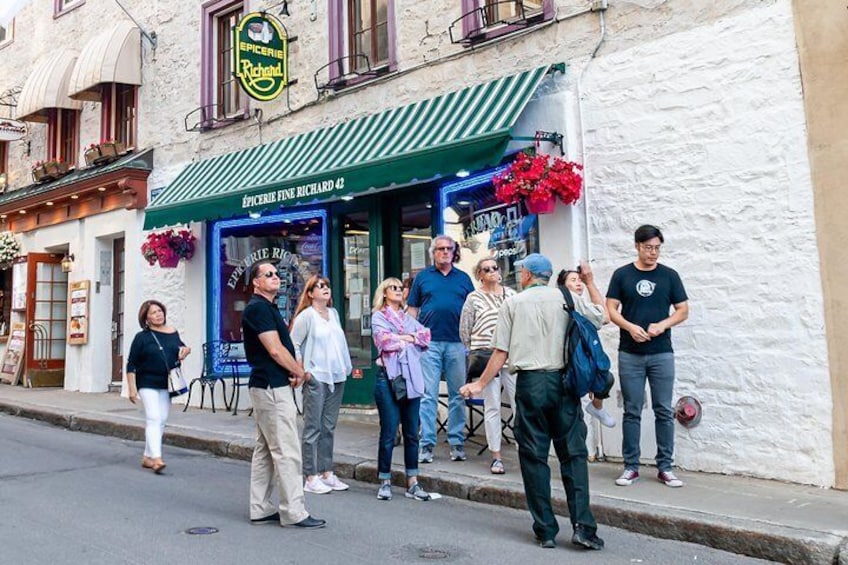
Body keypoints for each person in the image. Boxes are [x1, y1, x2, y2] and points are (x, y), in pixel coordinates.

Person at [460, 253, 605, 551]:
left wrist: (480, 383)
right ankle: (584, 528)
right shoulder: (566, 296)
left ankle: (546, 530)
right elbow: (600, 317)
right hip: (564, 383)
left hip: (530, 384)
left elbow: (499, 352)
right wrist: (590, 282)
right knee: (573, 455)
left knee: (534, 457)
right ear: (548, 275)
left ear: (526, 275)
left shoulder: (512, 303)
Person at [241, 261, 326, 528]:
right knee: (287, 450)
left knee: (266, 449)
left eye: (277, 274)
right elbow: (275, 349)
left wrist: (293, 370)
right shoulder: (258, 308)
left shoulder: (265, 307)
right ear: (256, 281)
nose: (276, 277)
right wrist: (299, 371)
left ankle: (260, 507)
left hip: (269, 384)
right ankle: (293, 511)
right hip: (271, 387)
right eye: (269, 274)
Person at [606, 225, 689, 488]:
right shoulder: (622, 275)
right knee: (632, 410)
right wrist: (630, 327)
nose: (653, 253)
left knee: (664, 409)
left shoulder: (669, 276)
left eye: (657, 248)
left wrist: (662, 325)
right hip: (630, 353)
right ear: (637, 246)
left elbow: (683, 310)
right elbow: (611, 309)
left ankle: (665, 466)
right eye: (648, 247)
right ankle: (631, 466)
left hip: (661, 352)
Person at [407, 235, 474, 464]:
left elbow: (472, 311)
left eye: (448, 249)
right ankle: (426, 444)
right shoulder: (423, 278)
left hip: (457, 343)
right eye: (440, 249)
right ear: (433, 252)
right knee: (428, 395)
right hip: (429, 344)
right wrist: (411, 339)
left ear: (454, 252)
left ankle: (456, 443)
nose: (444, 252)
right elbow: (413, 311)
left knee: (457, 395)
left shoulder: (464, 279)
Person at [371, 277, 433, 501]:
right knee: (389, 431)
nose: (398, 291)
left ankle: (413, 481)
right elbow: (384, 341)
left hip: (411, 378)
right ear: (384, 293)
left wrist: (405, 338)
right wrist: (409, 339)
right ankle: (385, 479)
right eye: (393, 288)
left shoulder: (408, 317)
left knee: (412, 432)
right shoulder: (379, 316)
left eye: (400, 288)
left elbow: (426, 336)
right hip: (388, 377)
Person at [290, 275, 352, 495]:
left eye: (327, 285)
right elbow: (294, 343)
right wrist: (303, 371)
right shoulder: (307, 316)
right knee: (312, 428)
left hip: (336, 376)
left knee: (329, 427)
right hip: (317, 376)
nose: (326, 289)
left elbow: (340, 344)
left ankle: (327, 472)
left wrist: (346, 367)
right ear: (310, 293)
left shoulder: (333, 314)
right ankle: (310, 475)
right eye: (320, 286)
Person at [459, 257, 517, 474]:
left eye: (495, 267)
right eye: (487, 269)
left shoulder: (511, 295)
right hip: (486, 356)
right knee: (492, 406)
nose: (492, 271)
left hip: (511, 357)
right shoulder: (473, 298)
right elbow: (465, 330)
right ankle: (496, 456)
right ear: (479, 275)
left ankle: (526, 452)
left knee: (519, 403)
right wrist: (476, 349)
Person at [126, 300, 191, 474]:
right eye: (153, 312)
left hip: (166, 383)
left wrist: (185, 350)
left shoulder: (172, 332)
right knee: (154, 417)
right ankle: (157, 458)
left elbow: (181, 347)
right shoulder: (142, 338)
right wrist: (132, 388)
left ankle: (147, 456)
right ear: (146, 318)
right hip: (147, 382)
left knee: (161, 419)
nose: (158, 314)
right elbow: (131, 363)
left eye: (160, 311)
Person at [557, 265, 616, 428]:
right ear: (562, 284)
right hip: (570, 361)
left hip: (564, 361)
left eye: (580, 281)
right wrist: (590, 283)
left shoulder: (565, 300)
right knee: (605, 377)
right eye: (573, 280)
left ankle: (596, 407)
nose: (578, 284)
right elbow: (604, 317)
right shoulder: (572, 298)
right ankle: (597, 407)